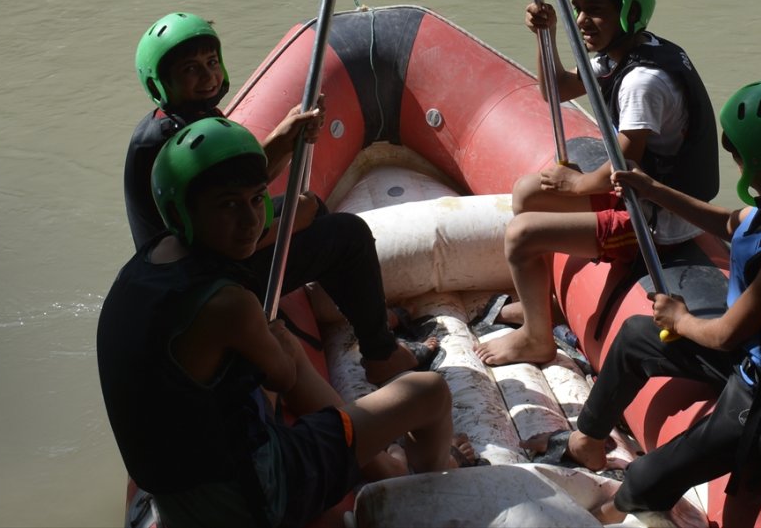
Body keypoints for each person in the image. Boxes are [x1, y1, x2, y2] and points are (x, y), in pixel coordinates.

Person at [99, 117, 480, 528]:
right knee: (428, 392)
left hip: (184, 496)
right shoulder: (228, 304)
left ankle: (385, 467)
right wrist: (278, 346)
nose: (249, 222)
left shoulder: (145, 264)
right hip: (254, 500)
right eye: (227, 205)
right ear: (182, 213)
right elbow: (281, 376)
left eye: (256, 198)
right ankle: (431, 475)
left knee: (284, 348)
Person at [561, 80, 761, 525]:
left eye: (740, 157)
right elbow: (730, 224)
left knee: (656, 474)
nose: (735, 162)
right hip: (758, 350)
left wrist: (680, 318)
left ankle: (614, 510)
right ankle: (588, 439)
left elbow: (726, 335)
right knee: (636, 337)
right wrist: (651, 189)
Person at [125, 12, 434, 384]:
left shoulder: (189, 119)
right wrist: (283, 225)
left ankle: (362, 313)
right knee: (348, 235)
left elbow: (236, 184)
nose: (207, 77)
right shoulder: (163, 145)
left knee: (312, 206)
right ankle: (381, 354)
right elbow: (205, 245)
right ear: (160, 83)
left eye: (211, 63)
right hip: (201, 282)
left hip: (207, 259)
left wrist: (287, 139)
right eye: (190, 69)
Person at [476, 0, 718, 367]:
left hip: (657, 217)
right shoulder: (621, 52)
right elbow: (556, 89)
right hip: (636, 190)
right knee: (526, 191)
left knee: (521, 234)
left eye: (596, 12)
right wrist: (546, 35)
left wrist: (578, 185)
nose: (584, 21)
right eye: (579, 10)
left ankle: (537, 339)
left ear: (629, 14)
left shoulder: (643, 82)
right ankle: (544, 305)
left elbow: (626, 158)